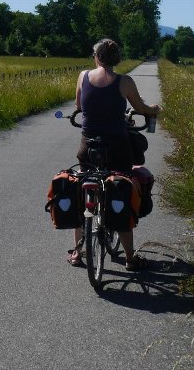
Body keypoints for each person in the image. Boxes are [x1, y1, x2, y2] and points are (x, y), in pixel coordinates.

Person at [67, 38, 161, 269]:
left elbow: (79, 105)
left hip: (87, 146)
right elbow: (141, 109)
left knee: (82, 192)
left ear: (96, 57)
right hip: (117, 147)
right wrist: (156, 110)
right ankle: (130, 259)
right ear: (116, 58)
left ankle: (78, 254)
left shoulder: (83, 76)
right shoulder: (124, 81)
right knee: (121, 191)